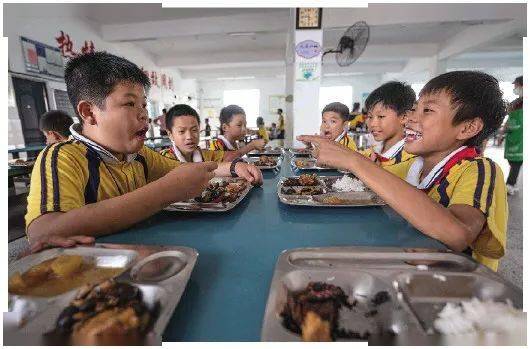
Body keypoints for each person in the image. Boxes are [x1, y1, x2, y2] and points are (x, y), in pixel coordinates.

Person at [25, 52, 262, 250]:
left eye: (144, 105)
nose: (143, 115)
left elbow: (186, 170)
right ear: (89, 112)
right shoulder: (63, 157)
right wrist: (165, 191)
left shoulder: (140, 156)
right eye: (129, 104)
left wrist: (234, 166)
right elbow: (43, 231)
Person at [299, 71, 508, 271]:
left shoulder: (479, 169)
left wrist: (354, 160)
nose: (410, 119)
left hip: (457, 294)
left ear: (467, 128)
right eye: (414, 109)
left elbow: (458, 233)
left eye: (427, 111)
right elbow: (370, 179)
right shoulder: (412, 167)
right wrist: (337, 156)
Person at [361, 81, 417, 166]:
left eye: (381, 116)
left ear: (404, 117)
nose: (372, 124)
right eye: (370, 116)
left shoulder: (410, 160)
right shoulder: (373, 150)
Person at [504, 75, 523, 195]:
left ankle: (510, 184)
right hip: (512, 135)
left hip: (521, 137)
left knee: (517, 161)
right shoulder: (516, 102)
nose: (515, 88)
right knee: (513, 161)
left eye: (516, 85)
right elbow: (508, 114)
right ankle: (512, 183)